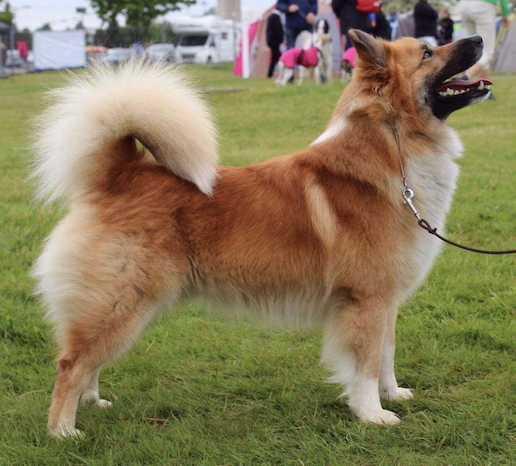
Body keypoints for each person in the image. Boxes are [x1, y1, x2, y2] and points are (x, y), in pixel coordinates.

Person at [460, 0, 509, 79]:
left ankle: (484, 88)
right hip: (484, 6)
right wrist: (505, 14)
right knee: (487, 52)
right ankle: (466, 76)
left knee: (477, 50)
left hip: (464, 5)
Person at [266, 9, 285, 78]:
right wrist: (282, 39)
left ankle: (270, 74)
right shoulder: (276, 17)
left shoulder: (270, 17)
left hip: (271, 41)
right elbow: (278, 30)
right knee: (278, 58)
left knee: (275, 58)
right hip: (275, 41)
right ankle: (271, 73)